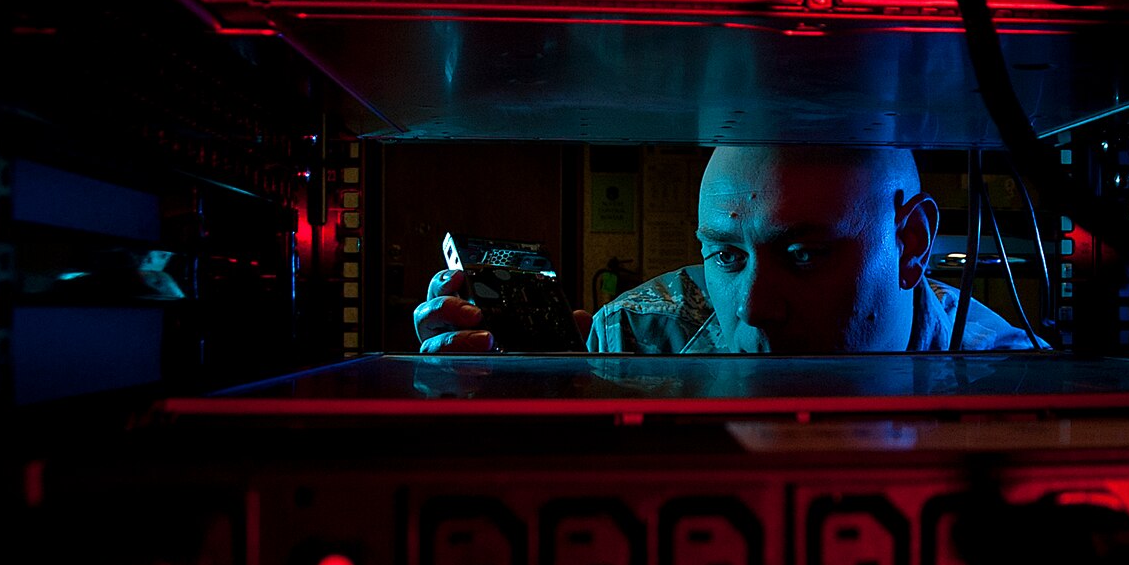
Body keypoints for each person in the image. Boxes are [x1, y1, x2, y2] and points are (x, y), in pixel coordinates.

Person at [413, 145, 1038, 354]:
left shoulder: (1019, 390)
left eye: (804, 255)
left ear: (911, 245)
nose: (755, 308)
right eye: (728, 257)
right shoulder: (631, 339)